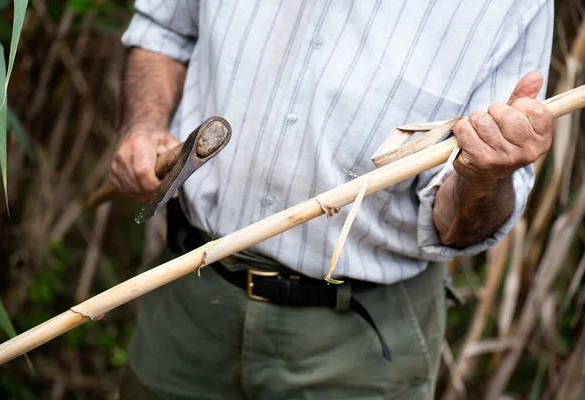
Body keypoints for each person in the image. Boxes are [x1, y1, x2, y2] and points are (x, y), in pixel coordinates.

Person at [110, 1, 554, 399]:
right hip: (188, 297)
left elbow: (456, 223)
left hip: (357, 348)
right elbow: (164, 30)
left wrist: (486, 176)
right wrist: (144, 125)